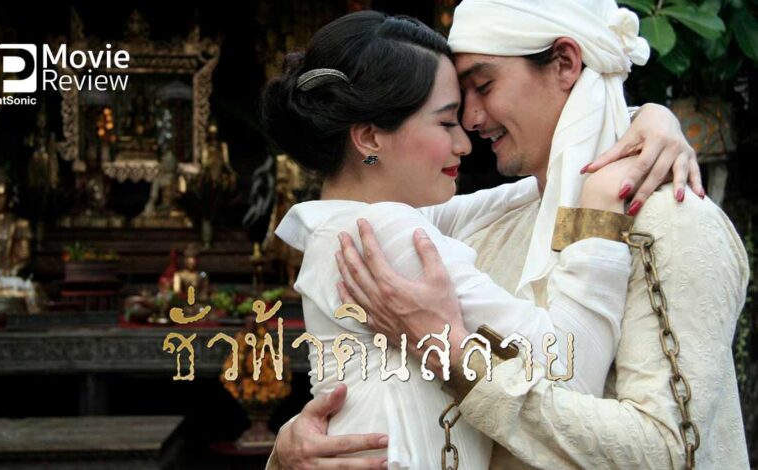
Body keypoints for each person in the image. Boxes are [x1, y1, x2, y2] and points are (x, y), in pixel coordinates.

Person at [273, 1, 749, 469]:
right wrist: (290, 453)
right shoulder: (418, 231)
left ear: (565, 63)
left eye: (483, 86)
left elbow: (671, 450)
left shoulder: (669, 221)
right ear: (369, 136)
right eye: (451, 113)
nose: (470, 123)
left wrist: (645, 118)